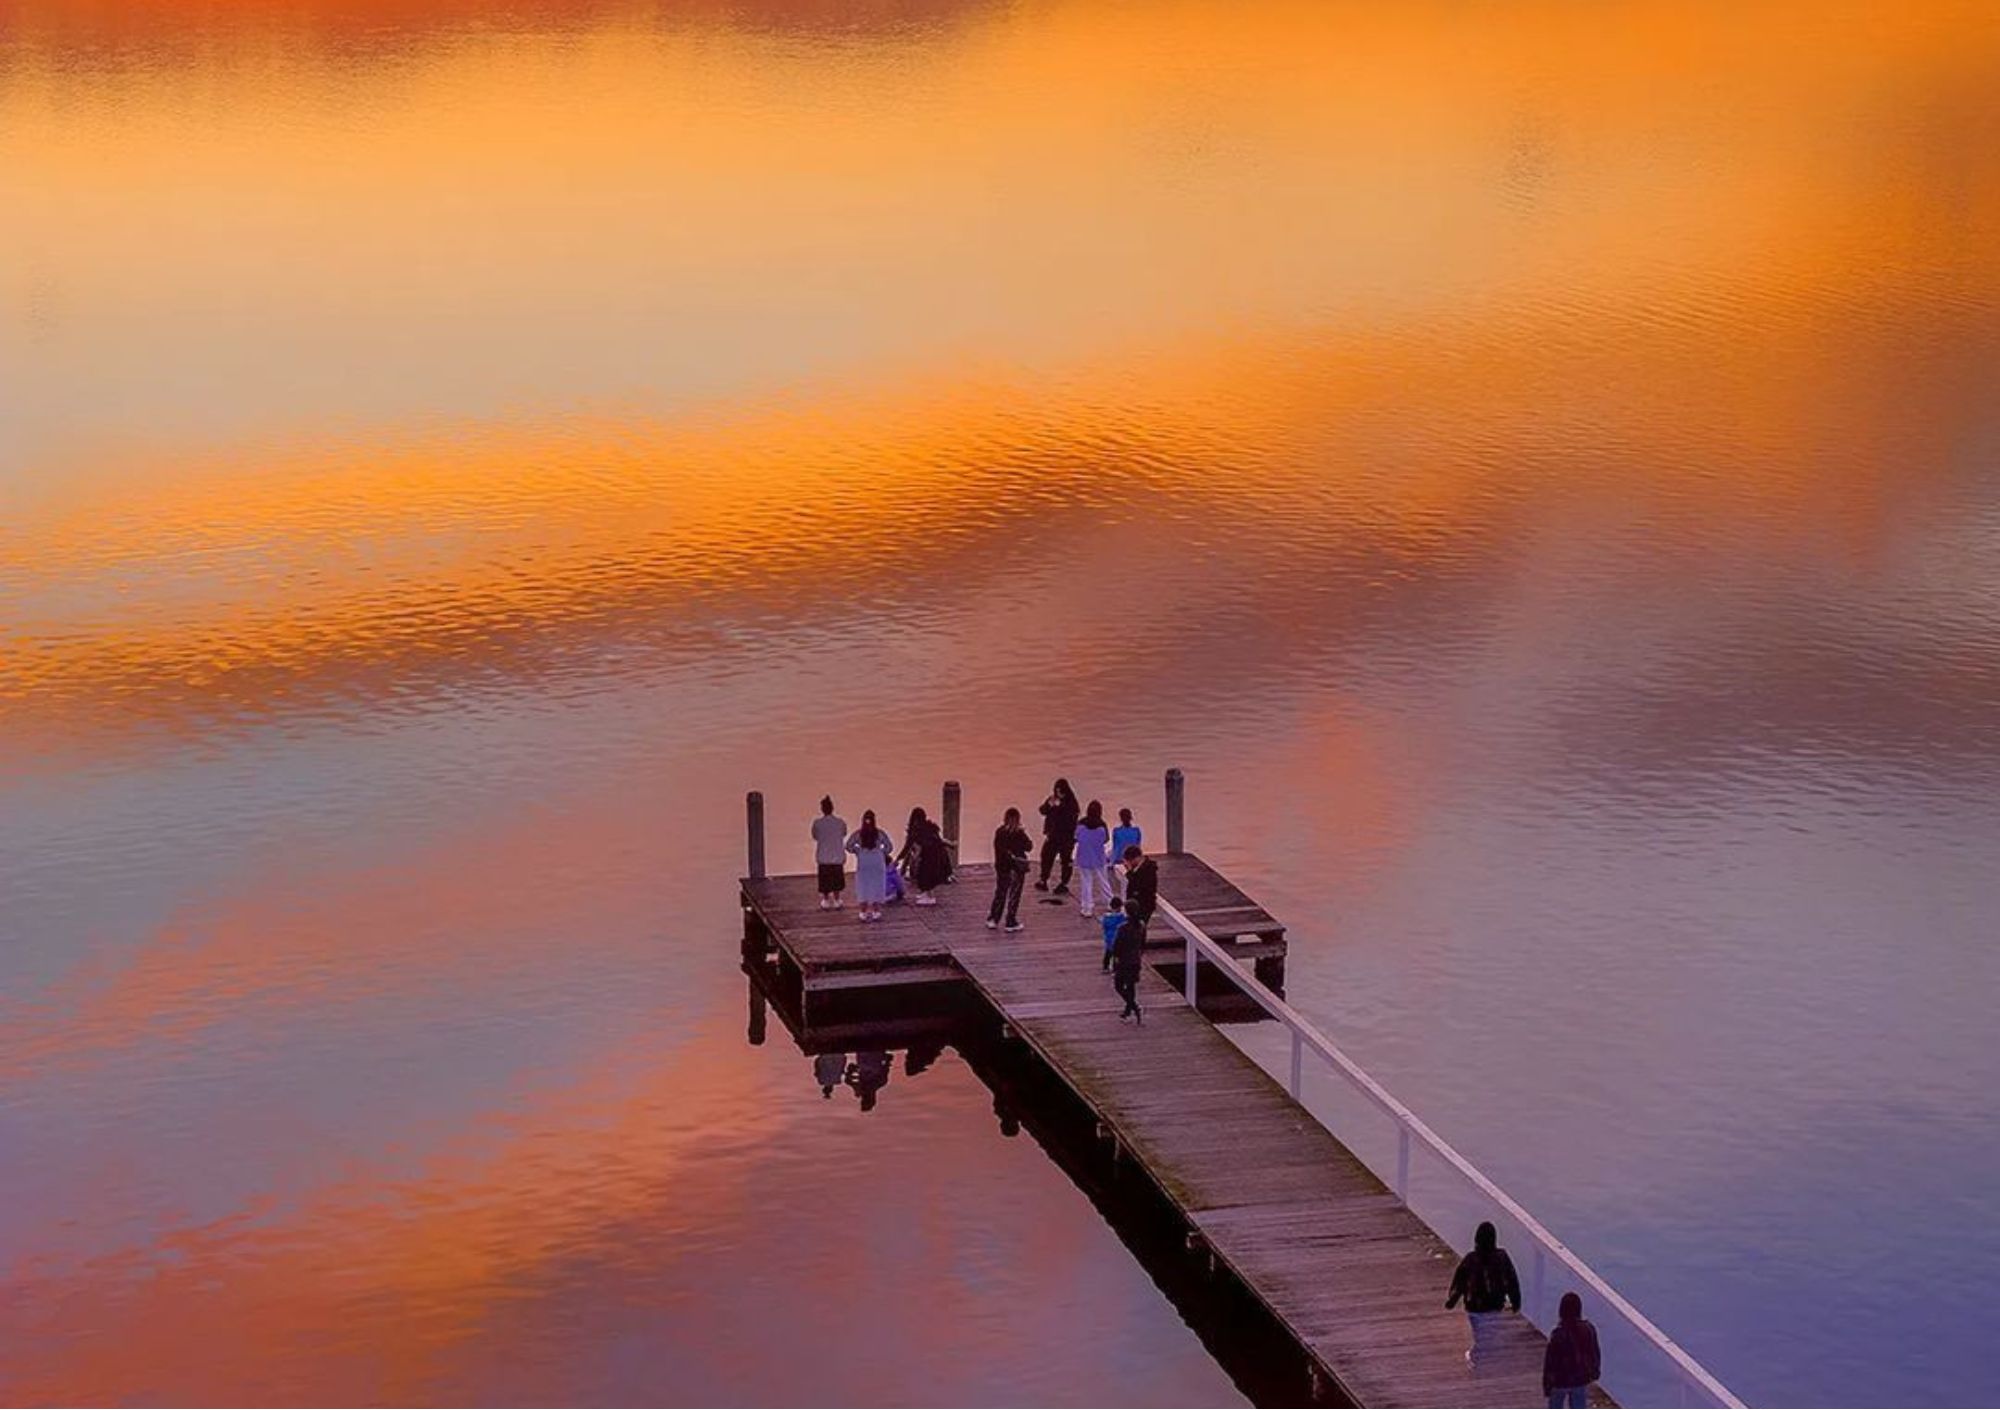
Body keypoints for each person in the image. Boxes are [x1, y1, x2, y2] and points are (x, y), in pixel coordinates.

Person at [1445, 1220, 1522, 1366]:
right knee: (1488, 1334)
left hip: (1474, 1305)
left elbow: (1460, 1281)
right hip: (1495, 1304)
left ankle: (1477, 1358)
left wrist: (1452, 1300)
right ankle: (1484, 1358)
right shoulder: (1502, 1257)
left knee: (1481, 1334)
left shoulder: (1470, 1259)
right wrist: (1516, 1301)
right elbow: (1512, 1280)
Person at [1542, 1291, 1602, 1408]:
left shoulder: (1558, 1334)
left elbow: (1550, 1362)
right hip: (1580, 1378)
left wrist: (1547, 1384)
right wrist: (1595, 1371)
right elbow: (1594, 1352)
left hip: (1560, 1380)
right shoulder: (1588, 1329)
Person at [987, 807, 1033, 932]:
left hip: (1002, 867)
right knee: (1014, 895)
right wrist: (1023, 832)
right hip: (1017, 868)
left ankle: (993, 919)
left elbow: (998, 850)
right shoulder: (1019, 833)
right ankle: (1010, 921)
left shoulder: (1000, 832)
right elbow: (1029, 847)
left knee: (1000, 893)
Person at [846, 810, 895, 923]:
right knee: (876, 884)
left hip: (863, 859)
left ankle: (863, 911)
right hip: (877, 859)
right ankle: (876, 910)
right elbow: (889, 847)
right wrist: (882, 852)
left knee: (863, 884)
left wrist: (857, 851)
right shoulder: (880, 833)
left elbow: (848, 846)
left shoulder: (858, 834)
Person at [897, 806, 953, 906]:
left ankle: (929, 897)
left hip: (928, 855)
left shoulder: (915, 830)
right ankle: (927, 894)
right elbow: (939, 841)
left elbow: (907, 847)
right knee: (929, 875)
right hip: (939, 855)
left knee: (924, 875)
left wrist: (898, 859)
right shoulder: (931, 827)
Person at [1035, 778, 1080, 895]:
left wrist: (1060, 807)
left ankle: (1064, 883)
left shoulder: (1071, 802)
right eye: (1057, 790)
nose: (1058, 793)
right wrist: (1050, 805)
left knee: (1066, 861)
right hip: (1052, 835)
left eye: (1061, 791)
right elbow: (1042, 811)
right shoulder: (1052, 799)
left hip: (1066, 837)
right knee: (1046, 857)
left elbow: (1072, 818)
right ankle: (1043, 879)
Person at [1073, 800, 1113, 918]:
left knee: (1086, 883)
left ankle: (1087, 908)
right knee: (1103, 881)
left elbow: (1076, 837)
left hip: (1084, 857)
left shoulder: (1081, 824)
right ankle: (1110, 903)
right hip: (1098, 857)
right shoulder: (1102, 825)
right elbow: (1106, 840)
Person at [812, 796, 847, 909]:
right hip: (837, 856)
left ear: (822, 809)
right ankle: (837, 899)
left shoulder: (818, 823)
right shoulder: (840, 822)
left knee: (825, 880)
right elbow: (844, 833)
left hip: (823, 856)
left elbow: (815, 836)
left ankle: (826, 899)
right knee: (837, 880)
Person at [1111, 912, 1145, 1023]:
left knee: (1118, 985)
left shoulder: (1123, 928)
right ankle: (1128, 1011)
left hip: (1124, 961)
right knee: (1131, 986)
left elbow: (1117, 945)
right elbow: (1143, 943)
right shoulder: (1141, 926)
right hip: (1135, 960)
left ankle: (1134, 1007)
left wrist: (1115, 958)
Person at [1120, 844, 1159, 930]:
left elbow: (1138, 885)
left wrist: (1130, 872)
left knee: (1138, 931)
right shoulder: (1141, 868)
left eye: (1129, 861)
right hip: (1136, 904)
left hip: (1143, 905)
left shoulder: (1148, 870)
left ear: (1136, 858)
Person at [1108, 807, 1142, 901]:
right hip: (1134, 860)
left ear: (1120, 818)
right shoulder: (1136, 831)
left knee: (1122, 885)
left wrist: (1111, 862)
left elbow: (1115, 848)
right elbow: (1138, 846)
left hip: (1120, 860)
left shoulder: (1116, 831)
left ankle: (1124, 901)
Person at [1099, 896, 1125, 973]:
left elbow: (1104, 926)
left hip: (1108, 938)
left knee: (1108, 953)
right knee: (1116, 955)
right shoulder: (1121, 917)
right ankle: (1115, 968)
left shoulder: (1106, 917)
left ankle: (1105, 967)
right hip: (1117, 939)